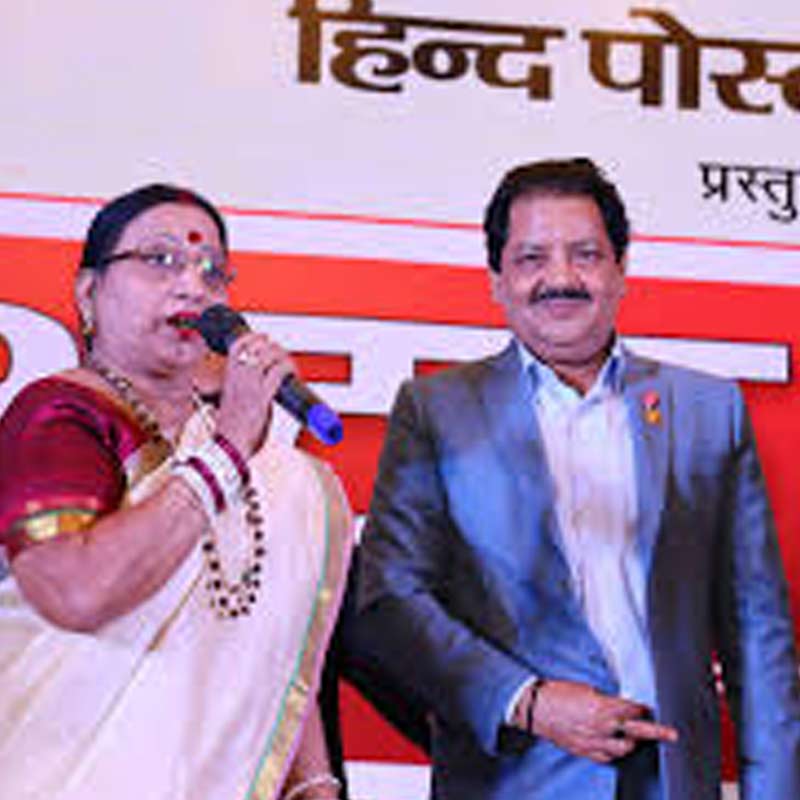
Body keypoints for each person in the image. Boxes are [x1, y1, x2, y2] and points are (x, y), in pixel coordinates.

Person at [349, 158, 800, 799]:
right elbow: (391, 598)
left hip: (668, 779)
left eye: (585, 255)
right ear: (497, 279)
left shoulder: (708, 410)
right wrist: (528, 701)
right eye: (532, 258)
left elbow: (759, 636)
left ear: (621, 270)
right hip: (512, 775)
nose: (560, 278)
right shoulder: (438, 412)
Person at [0, 183, 352, 800]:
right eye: (159, 260)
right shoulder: (57, 413)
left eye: (212, 270)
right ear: (88, 292)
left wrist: (312, 783)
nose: (192, 286)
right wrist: (225, 454)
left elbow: (268, 647)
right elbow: (74, 593)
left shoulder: (249, 451)